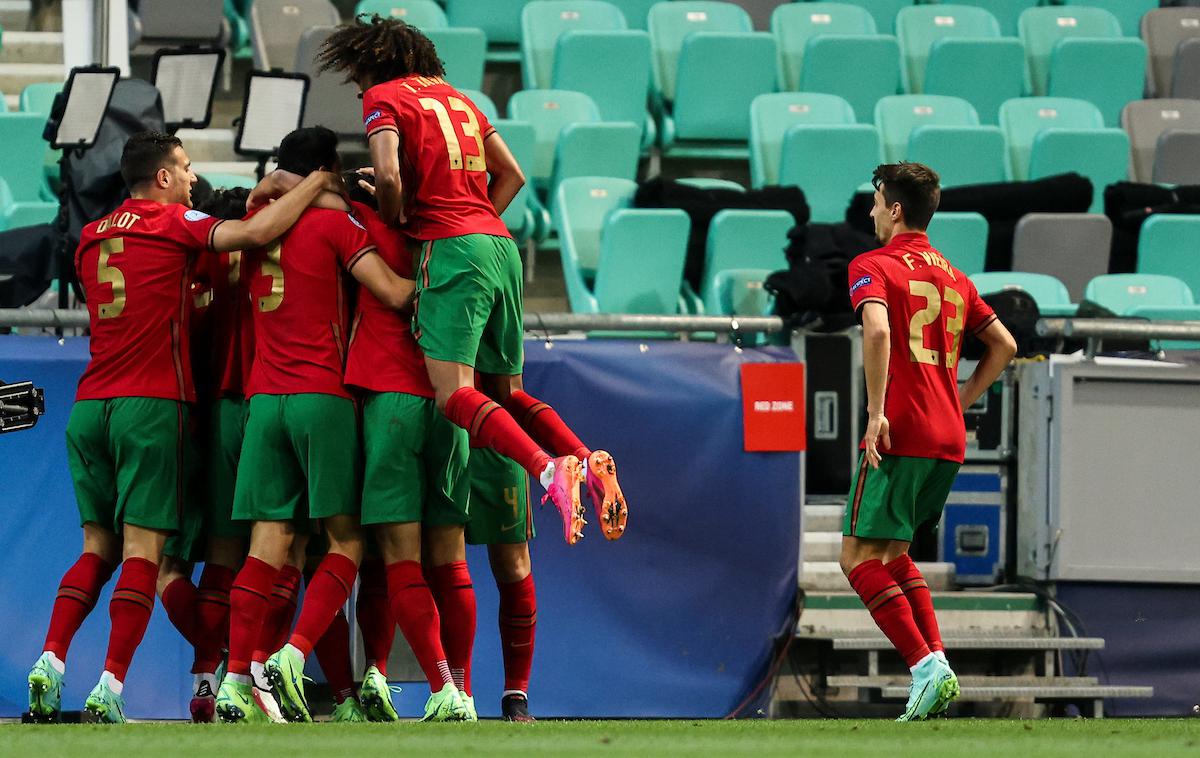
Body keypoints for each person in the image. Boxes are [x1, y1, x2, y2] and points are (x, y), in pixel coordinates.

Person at [26, 131, 342, 723]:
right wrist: (319, 184)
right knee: (167, 555)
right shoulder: (176, 228)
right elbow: (251, 234)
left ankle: (51, 660)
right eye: (187, 168)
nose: (194, 178)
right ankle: (117, 687)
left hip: (91, 404)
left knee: (100, 548)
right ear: (164, 177)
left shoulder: (91, 238)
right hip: (158, 407)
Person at [317, 16, 628, 546]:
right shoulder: (461, 99)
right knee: (507, 391)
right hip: (500, 245)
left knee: (453, 393)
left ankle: (550, 473)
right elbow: (513, 175)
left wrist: (399, 216)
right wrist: (475, 219)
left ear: (373, 65)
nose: (359, 90)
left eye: (357, 78)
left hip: (453, 249)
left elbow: (388, 177)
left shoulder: (384, 100)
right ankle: (585, 456)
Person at [213, 127, 415, 724]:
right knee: (347, 539)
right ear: (328, 168)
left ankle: (235, 680)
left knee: (268, 543)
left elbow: (259, 204)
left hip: (263, 400)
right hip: (322, 395)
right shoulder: (334, 225)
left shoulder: (257, 231)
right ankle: (293, 658)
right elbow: (396, 293)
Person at [841, 162, 1017, 722]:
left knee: (857, 557)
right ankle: (936, 663)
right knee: (896, 554)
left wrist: (875, 414)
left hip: (902, 428)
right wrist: (958, 400)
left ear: (895, 209)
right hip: (947, 434)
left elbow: (877, 330)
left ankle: (923, 666)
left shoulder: (873, 265)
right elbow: (1005, 345)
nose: (871, 212)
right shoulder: (955, 276)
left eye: (875, 202)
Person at [341, 171, 472, 722]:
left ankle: (441, 687)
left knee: (396, 559)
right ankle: (463, 689)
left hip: (391, 399)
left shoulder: (361, 220)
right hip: (453, 400)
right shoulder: (457, 231)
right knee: (452, 561)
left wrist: (351, 187)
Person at [155, 186, 257, 723]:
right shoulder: (255, 270)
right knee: (230, 559)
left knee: (167, 564)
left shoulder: (185, 270)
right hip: (234, 410)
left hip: (173, 419)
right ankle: (233, 671)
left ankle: (206, 673)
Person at [464, 447, 538, 722]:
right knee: (443, 567)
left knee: (514, 567)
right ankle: (457, 692)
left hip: (497, 446)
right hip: (443, 438)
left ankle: (516, 694)